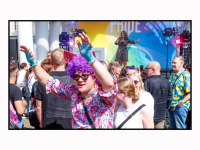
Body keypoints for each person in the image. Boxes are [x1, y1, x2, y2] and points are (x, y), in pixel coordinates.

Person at [20, 32, 117, 129]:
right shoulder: (73, 92)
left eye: (84, 75)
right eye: (76, 76)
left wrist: (91, 59)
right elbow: (48, 81)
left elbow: (109, 84)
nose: (80, 79)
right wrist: (34, 63)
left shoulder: (103, 95)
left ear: (94, 76)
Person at [36, 49, 72, 129]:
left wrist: (42, 123)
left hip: (48, 122)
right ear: (66, 61)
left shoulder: (44, 80)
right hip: (70, 121)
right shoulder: (72, 79)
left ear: (51, 62)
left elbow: (38, 108)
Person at [144, 61, 172, 129]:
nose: (146, 70)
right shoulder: (167, 82)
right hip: (161, 115)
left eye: (147, 69)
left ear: (153, 69)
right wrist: (164, 109)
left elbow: (144, 100)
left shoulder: (147, 82)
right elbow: (170, 99)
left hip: (149, 117)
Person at [168, 56, 190, 129]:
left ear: (181, 63)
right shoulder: (172, 74)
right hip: (171, 106)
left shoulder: (186, 75)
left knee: (180, 127)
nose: (173, 64)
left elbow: (190, 93)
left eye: (175, 63)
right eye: (172, 63)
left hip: (180, 107)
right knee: (172, 128)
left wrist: (181, 103)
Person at [10, 61, 27, 129]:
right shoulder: (16, 90)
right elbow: (20, 111)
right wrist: (24, 104)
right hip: (14, 123)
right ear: (17, 74)